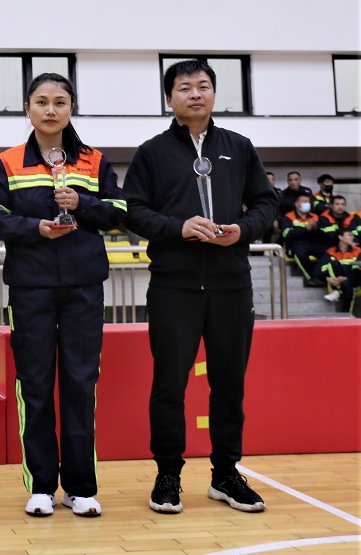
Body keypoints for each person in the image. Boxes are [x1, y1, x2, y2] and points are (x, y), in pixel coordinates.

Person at [123, 59, 277, 515]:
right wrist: (178, 227)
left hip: (232, 283)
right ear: (169, 98)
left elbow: (266, 201)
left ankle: (225, 474)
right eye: (185, 87)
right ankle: (168, 474)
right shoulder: (152, 152)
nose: (195, 94)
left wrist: (243, 229)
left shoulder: (239, 146)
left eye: (203, 86)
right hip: (174, 285)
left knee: (229, 384)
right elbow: (133, 210)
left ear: (213, 93)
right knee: (169, 385)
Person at [0, 73, 126, 518]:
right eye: (42, 101)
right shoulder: (7, 163)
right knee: (36, 385)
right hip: (31, 288)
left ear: (71, 109)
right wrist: (35, 228)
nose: (50, 109)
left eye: (60, 101)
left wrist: (83, 205)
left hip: (84, 287)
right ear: (27, 108)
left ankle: (80, 487)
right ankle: (42, 486)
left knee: (81, 384)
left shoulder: (94, 161)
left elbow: (119, 212)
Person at [279, 193, 327, 285]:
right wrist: (307, 228)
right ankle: (311, 278)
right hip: (295, 245)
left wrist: (316, 228)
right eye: (304, 202)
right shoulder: (288, 217)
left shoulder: (315, 216)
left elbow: (322, 234)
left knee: (327, 252)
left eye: (308, 202)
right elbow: (287, 234)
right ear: (297, 204)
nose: (307, 204)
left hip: (312, 243)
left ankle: (320, 276)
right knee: (300, 253)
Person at [316, 228, 360, 313]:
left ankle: (337, 291)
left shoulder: (358, 251)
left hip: (355, 280)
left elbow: (357, 270)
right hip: (343, 282)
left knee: (354, 269)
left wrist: (346, 278)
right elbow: (319, 270)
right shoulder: (330, 252)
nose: (352, 237)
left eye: (352, 235)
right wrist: (327, 279)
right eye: (349, 235)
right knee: (334, 264)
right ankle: (345, 313)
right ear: (340, 237)